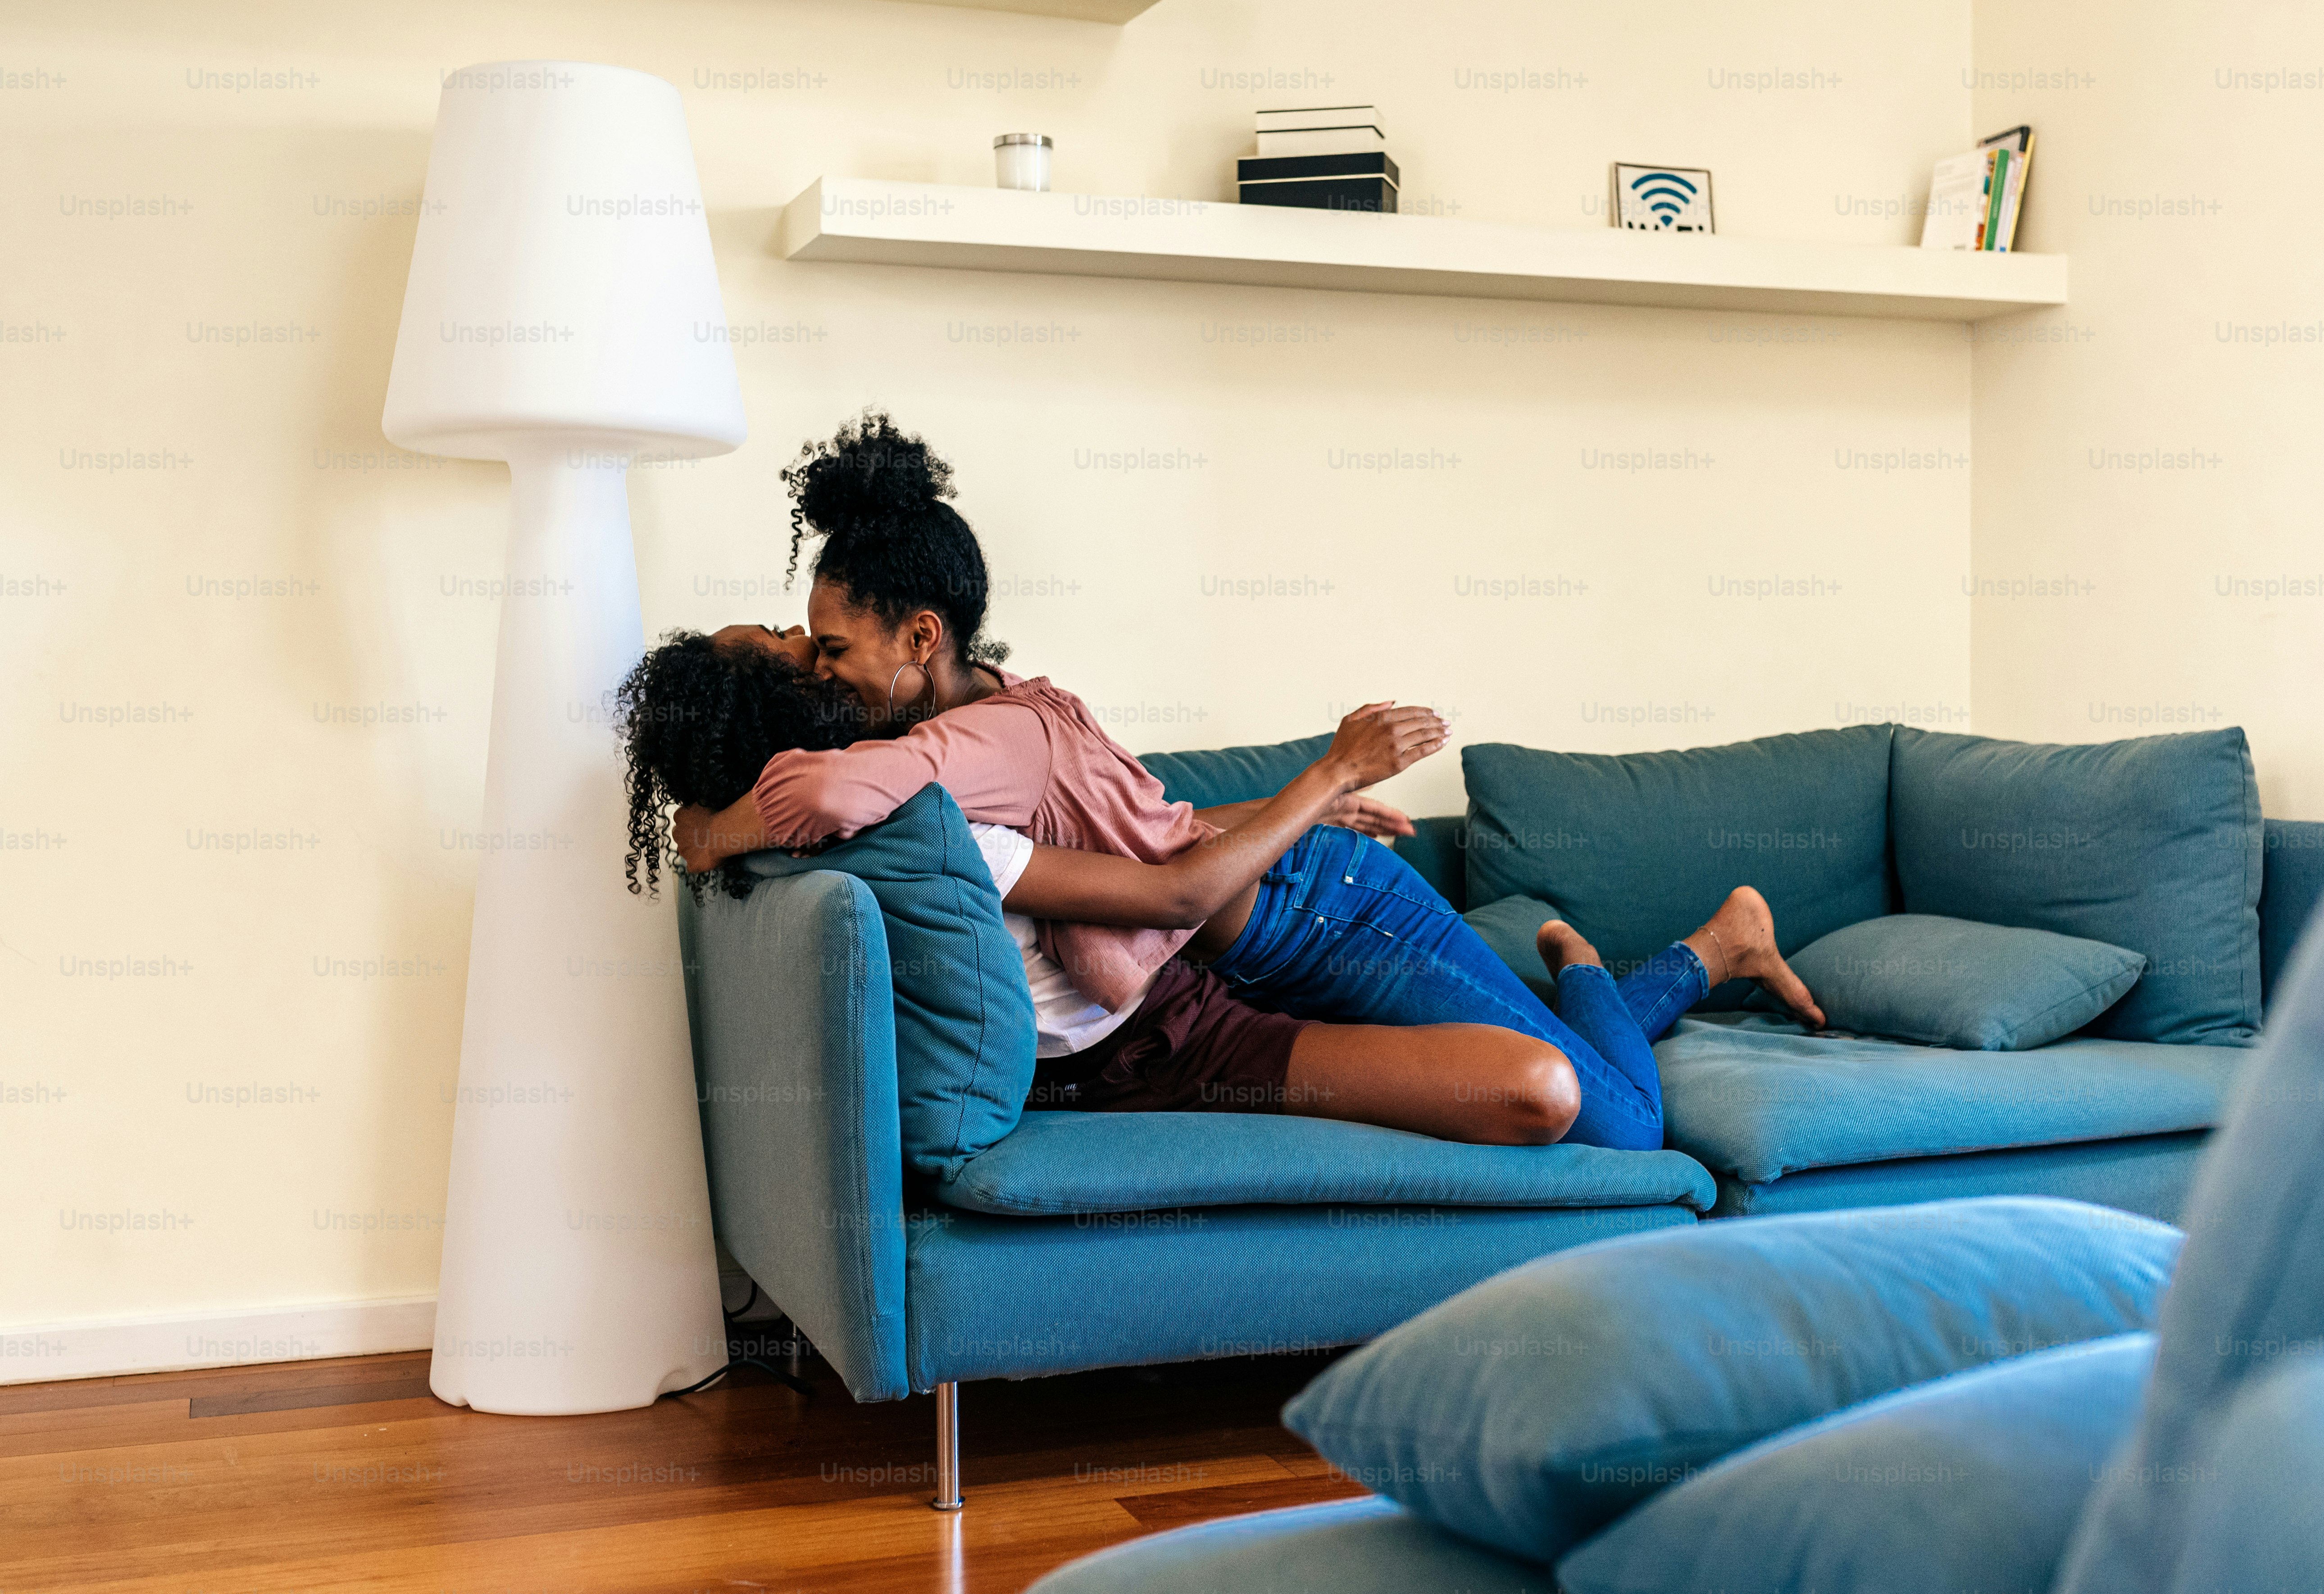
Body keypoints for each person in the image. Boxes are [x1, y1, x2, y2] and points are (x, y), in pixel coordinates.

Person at [667, 412, 1824, 1153]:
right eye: (803, 658)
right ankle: (1663, 963)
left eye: (829, 649)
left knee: (1616, 1122)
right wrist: (1295, 805)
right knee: (1569, 1101)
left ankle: (1656, 960)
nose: (821, 674)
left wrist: (1321, 784)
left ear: (922, 637)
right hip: (1251, 934)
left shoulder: (959, 749)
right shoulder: (945, 766)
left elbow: (836, 800)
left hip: (1318, 914)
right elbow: (1141, 836)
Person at [620, 631, 1581, 1146]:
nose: (805, 636)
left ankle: (1598, 967)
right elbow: (1167, 894)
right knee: (1539, 1087)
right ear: (781, 714)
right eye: (796, 649)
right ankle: (1602, 966)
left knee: (1547, 1072)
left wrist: (710, 829)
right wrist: (1327, 776)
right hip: (1181, 1023)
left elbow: (1147, 847)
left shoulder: (870, 803)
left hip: (1201, 972)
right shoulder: (899, 824)